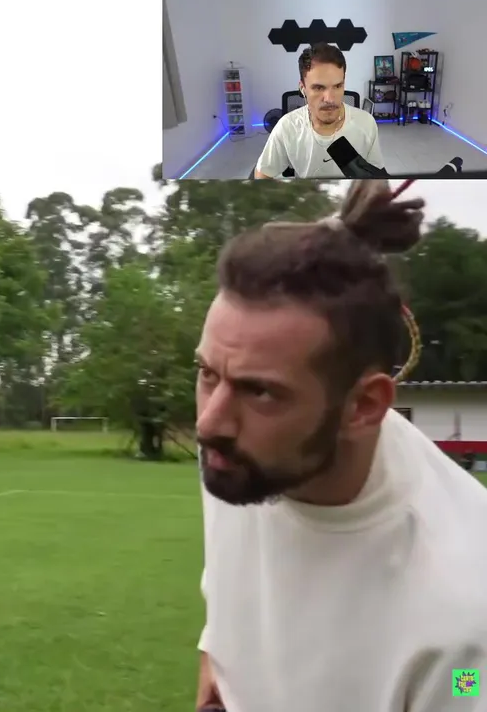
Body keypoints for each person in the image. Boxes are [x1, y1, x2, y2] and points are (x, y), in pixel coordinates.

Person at [192, 180, 487, 712]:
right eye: (207, 373)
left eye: (260, 391)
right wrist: (215, 659)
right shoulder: (236, 454)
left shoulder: (466, 622)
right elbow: (228, 583)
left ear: (364, 406)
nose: (209, 422)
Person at [254, 43, 387, 179]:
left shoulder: (366, 123)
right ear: (303, 88)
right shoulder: (287, 127)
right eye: (318, 88)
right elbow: (262, 174)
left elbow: (377, 177)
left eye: (337, 86)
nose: (329, 99)